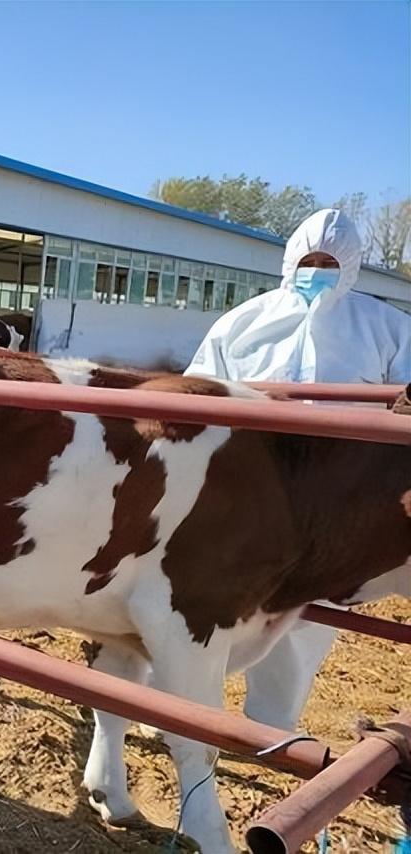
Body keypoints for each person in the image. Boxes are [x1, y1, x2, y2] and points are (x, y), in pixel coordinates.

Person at [186, 207, 411, 730]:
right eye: (309, 259)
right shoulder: (241, 323)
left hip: (339, 507)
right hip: (245, 496)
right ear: (290, 260)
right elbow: (196, 394)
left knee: (303, 621)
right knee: (208, 606)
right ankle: (179, 707)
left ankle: (270, 723)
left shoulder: (388, 328)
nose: (317, 269)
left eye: (329, 261)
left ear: (351, 267)